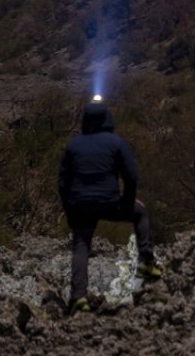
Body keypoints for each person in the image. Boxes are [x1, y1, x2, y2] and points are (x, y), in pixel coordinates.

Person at [58, 100, 161, 313]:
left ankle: (78, 297)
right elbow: (131, 176)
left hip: (80, 205)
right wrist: (127, 202)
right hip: (109, 202)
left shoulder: (73, 145)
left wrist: (70, 212)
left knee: (81, 246)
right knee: (140, 213)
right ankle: (146, 262)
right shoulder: (116, 143)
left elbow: (62, 184)